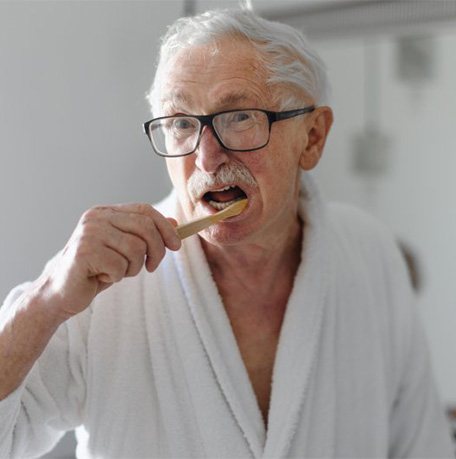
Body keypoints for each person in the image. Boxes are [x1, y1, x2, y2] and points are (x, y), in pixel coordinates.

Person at [0, 7, 453, 459]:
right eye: (180, 123)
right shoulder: (105, 286)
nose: (206, 156)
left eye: (239, 117)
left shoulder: (369, 254)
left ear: (312, 137)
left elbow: (422, 444)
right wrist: (45, 301)